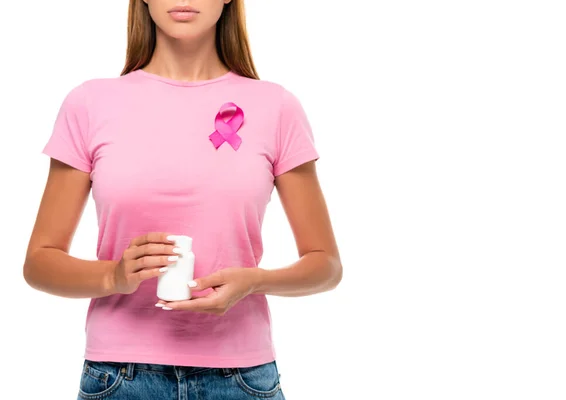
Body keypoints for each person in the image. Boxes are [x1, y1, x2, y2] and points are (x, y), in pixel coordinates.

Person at [23, 1, 343, 399]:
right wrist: (114, 276)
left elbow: (326, 265)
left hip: (242, 378)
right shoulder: (90, 104)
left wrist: (255, 282)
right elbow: (40, 261)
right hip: (119, 378)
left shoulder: (276, 107)